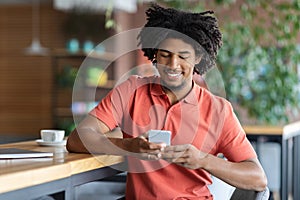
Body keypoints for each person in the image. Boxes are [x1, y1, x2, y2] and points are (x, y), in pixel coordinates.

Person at [67, 4, 267, 200]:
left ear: (197, 57)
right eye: (165, 55)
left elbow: (257, 178)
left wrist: (202, 160)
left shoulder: (218, 110)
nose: (173, 65)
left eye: (183, 56)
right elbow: (77, 139)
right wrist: (128, 145)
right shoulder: (131, 91)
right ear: (154, 54)